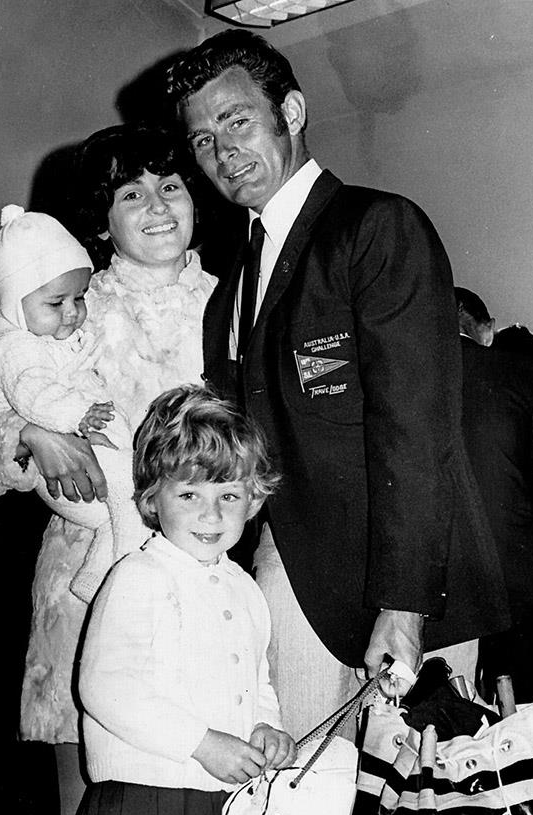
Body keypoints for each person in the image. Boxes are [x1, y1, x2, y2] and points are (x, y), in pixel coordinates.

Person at [166, 29, 509, 737]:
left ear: (290, 112)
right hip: (290, 569)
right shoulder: (230, 285)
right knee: (296, 813)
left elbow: (415, 428)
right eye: (201, 140)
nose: (223, 151)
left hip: (403, 583)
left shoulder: (375, 228)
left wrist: (404, 606)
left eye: (236, 121)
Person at [0, 125, 217, 815]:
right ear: (102, 219)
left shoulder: (241, 298)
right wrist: (32, 433)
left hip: (209, 588)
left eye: (169, 185)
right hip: (88, 589)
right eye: (129, 193)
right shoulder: (66, 297)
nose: (155, 206)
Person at [61, 383, 295, 815]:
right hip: (143, 799)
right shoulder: (141, 577)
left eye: (229, 494)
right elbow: (104, 686)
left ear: (254, 498)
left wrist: (264, 725)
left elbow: (256, 678)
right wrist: (204, 742)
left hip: (201, 800)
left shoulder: (244, 588)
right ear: (152, 499)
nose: (210, 513)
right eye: (188, 493)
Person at [0, 203, 145, 603]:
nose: (74, 312)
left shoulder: (51, 333)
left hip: (109, 472)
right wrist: (52, 426)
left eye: (80, 298)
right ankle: (126, 581)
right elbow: (33, 394)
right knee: (134, 502)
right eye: (56, 302)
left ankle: (97, 579)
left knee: (125, 514)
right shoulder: (15, 348)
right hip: (72, 476)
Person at [454, 288, 533, 750]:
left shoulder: (414, 377)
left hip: (453, 589)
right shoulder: (525, 375)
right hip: (523, 581)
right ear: (485, 327)